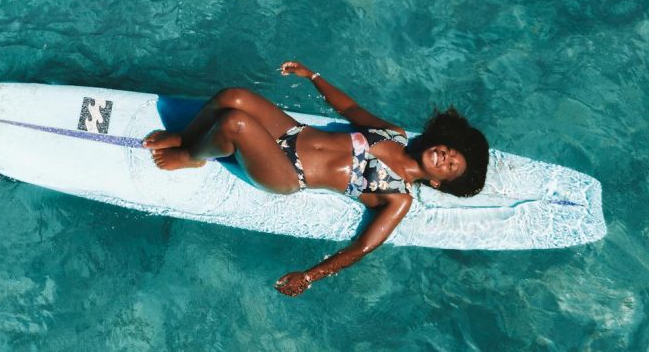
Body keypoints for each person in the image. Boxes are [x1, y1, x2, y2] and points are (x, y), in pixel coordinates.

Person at [142, 61, 489, 296]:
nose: (445, 157)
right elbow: (350, 110)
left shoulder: (398, 197)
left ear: (439, 182)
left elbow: (362, 247)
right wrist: (313, 76)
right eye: (449, 151)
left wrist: (309, 276)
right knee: (233, 96)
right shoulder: (393, 135)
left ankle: (189, 156)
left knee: (236, 122)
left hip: (287, 173)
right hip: (292, 132)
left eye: (450, 166)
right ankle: (189, 137)